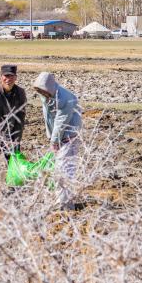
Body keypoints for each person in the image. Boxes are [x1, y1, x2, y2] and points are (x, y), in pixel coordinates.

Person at [33, 71, 83, 210]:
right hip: (59, 136)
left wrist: (54, 141)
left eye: (43, 90)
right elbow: (49, 117)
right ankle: (61, 201)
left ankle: (65, 204)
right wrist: (51, 137)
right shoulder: (46, 94)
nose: (41, 93)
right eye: (39, 90)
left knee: (65, 170)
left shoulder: (65, 99)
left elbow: (61, 122)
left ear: (49, 87)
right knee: (58, 169)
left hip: (69, 136)